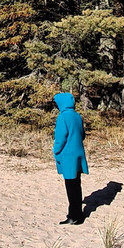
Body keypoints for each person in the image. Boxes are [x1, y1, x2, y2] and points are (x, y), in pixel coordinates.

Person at [52, 92, 88, 225]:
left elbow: (60, 138)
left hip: (68, 155)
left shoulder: (63, 117)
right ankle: (78, 213)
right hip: (78, 154)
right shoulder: (77, 116)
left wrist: (55, 150)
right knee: (76, 185)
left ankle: (74, 216)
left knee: (71, 186)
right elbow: (82, 135)